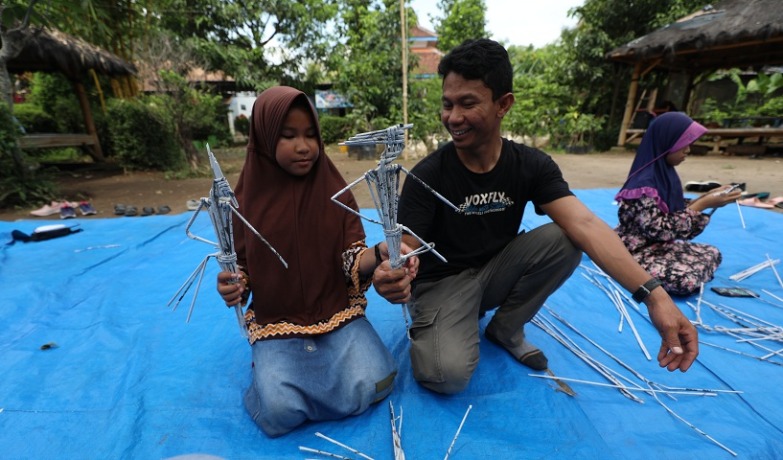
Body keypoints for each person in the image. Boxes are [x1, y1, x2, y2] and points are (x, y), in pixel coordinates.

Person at [372, 38, 699, 395]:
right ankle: (445, 321)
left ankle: (506, 328)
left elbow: (586, 224)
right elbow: (405, 244)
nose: (453, 118)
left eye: (468, 104)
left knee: (565, 238)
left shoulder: (530, 165)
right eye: (447, 105)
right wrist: (393, 267)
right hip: (443, 283)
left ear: (504, 104)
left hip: (495, 271)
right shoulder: (428, 174)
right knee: (444, 376)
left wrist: (656, 297)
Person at [216, 86, 402, 437]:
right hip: (278, 322)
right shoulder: (242, 204)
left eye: (310, 135)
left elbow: (352, 257)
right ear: (264, 138)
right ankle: (278, 381)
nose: (303, 147)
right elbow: (240, 270)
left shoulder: (335, 191)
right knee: (278, 410)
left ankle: (307, 392)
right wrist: (233, 284)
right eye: (288, 136)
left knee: (379, 380)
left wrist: (379, 254)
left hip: (336, 312)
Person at [614, 112, 741, 296]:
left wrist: (707, 197)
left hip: (660, 247)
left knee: (712, 252)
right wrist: (702, 204)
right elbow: (658, 229)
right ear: (666, 142)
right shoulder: (644, 185)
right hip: (636, 251)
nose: (688, 150)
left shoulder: (665, 174)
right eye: (684, 143)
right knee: (685, 280)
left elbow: (674, 209)